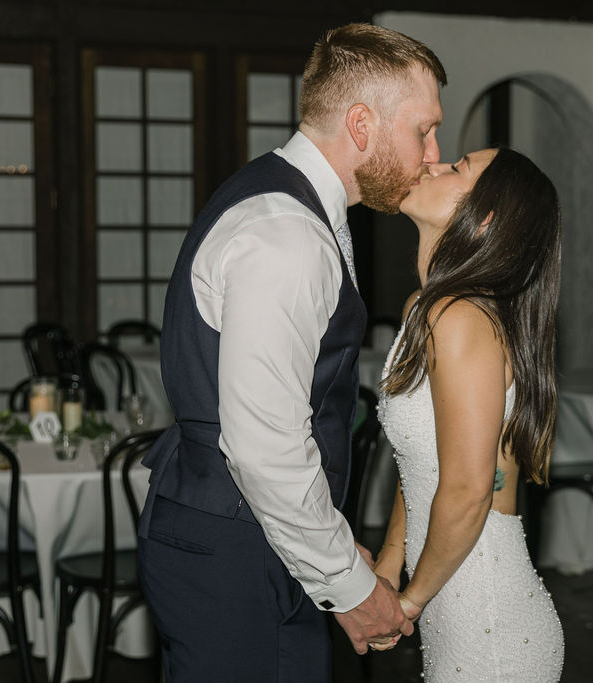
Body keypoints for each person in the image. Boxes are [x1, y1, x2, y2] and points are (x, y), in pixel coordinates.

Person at [136, 23, 446, 681]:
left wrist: (331, 551)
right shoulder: (289, 235)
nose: (432, 152)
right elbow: (266, 446)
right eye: (423, 129)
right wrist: (350, 588)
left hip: (236, 534)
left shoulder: (282, 202)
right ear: (362, 125)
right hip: (238, 549)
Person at [374, 147, 566, 681]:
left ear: (485, 219)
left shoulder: (459, 317)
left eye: (456, 167)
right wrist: (391, 558)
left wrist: (407, 604)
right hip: (455, 611)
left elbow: (468, 488)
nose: (431, 164)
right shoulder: (425, 307)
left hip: (491, 625)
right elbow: (427, 458)